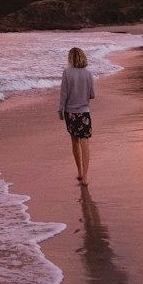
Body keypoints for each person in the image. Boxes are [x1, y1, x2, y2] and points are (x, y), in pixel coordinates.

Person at [58, 46, 95, 184]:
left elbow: (63, 94)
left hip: (70, 112)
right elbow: (92, 95)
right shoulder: (88, 74)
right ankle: (85, 176)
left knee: (74, 141)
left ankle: (79, 172)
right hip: (84, 112)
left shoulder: (66, 73)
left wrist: (60, 110)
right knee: (85, 142)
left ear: (70, 58)